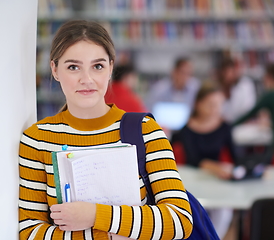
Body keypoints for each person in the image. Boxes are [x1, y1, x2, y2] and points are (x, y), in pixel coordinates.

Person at [18, 20, 192, 240]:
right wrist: (105, 235)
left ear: (110, 68)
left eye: (97, 66)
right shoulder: (37, 139)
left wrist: (94, 215)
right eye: (73, 67)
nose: (87, 79)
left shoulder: (146, 131)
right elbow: (30, 232)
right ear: (55, 69)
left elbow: (179, 220)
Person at [171, 82, 235, 239]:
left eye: (219, 105)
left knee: (224, 211)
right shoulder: (186, 130)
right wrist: (213, 166)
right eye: (211, 105)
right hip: (193, 182)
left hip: (217, 182)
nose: (215, 110)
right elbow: (193, 159)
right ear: (198, 104)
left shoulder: (224, 127)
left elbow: (236, 157)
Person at [216, 58, 256, 124]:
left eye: (231, 72)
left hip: (243, 123)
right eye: (226, 72)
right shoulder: (218, 88)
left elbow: (247, 108)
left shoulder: (244, 85)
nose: (229, 76)